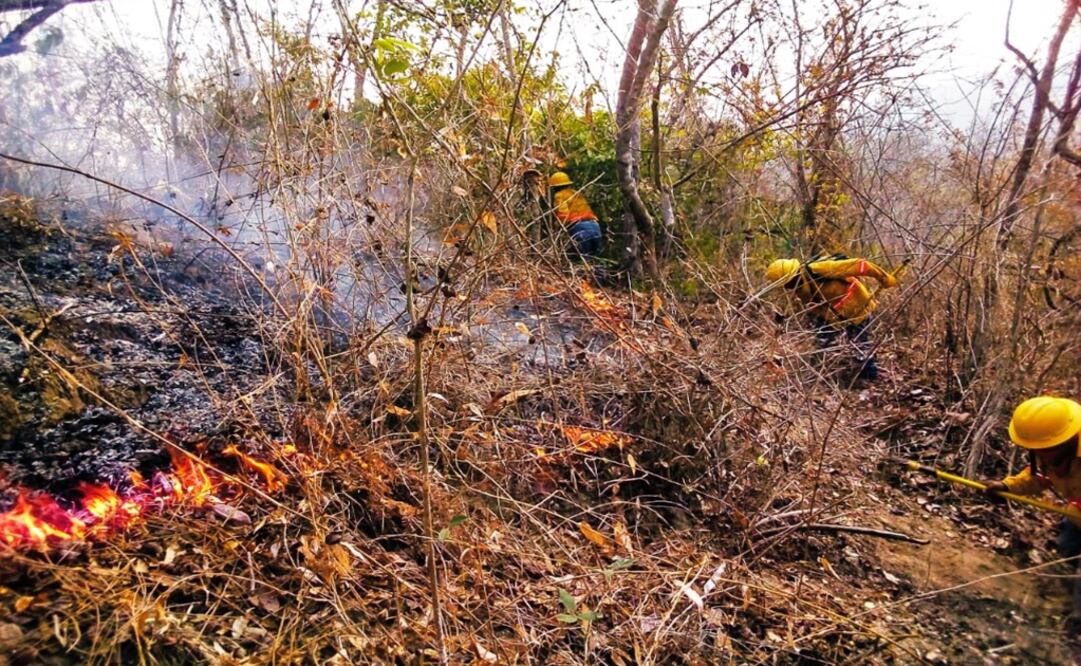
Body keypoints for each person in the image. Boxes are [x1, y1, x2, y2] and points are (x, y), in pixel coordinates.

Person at [984, 396, 1081, 635]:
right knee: (1067, 547)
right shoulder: (1049, 448)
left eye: (1044, 449)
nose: (1038, 453)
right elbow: (1039, 476)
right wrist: (1008, 486)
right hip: (1076, 516)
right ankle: (1065, 591)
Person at [764, 255, 899, 380]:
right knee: (822, 341)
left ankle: (869, 377)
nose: (788, 287)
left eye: (788, 283)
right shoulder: (799, 287)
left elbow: (862, 265)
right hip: (832, 315)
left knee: (860, 343)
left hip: (858, 307)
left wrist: (884, 277)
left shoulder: (818, 270)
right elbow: (815, 304)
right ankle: (817, 375)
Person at [548, 171, 603, 262]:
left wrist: (557, 228)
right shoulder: (576, 193)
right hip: (595, 226)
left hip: (579, 228)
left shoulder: (559, 195)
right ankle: (600, 276)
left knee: (583, 261)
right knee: (596, 260)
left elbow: (563, 214)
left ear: (555, 187)